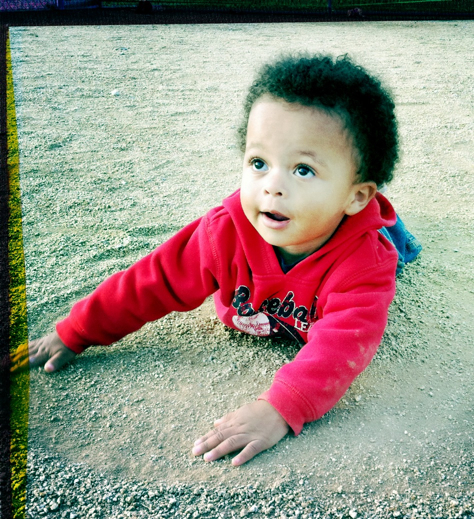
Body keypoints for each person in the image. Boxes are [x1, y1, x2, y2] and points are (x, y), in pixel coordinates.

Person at [14, 54, 421, 466]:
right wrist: (78, 329)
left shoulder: (365, 264)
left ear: (356, 195)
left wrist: (281, 408)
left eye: (303, 170)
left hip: (360, 235)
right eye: (259, 163)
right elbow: (153, 281)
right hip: (310, 235)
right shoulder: (222, 232)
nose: (272, 186)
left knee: (393, 244)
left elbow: (344, 344)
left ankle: (390, 225)